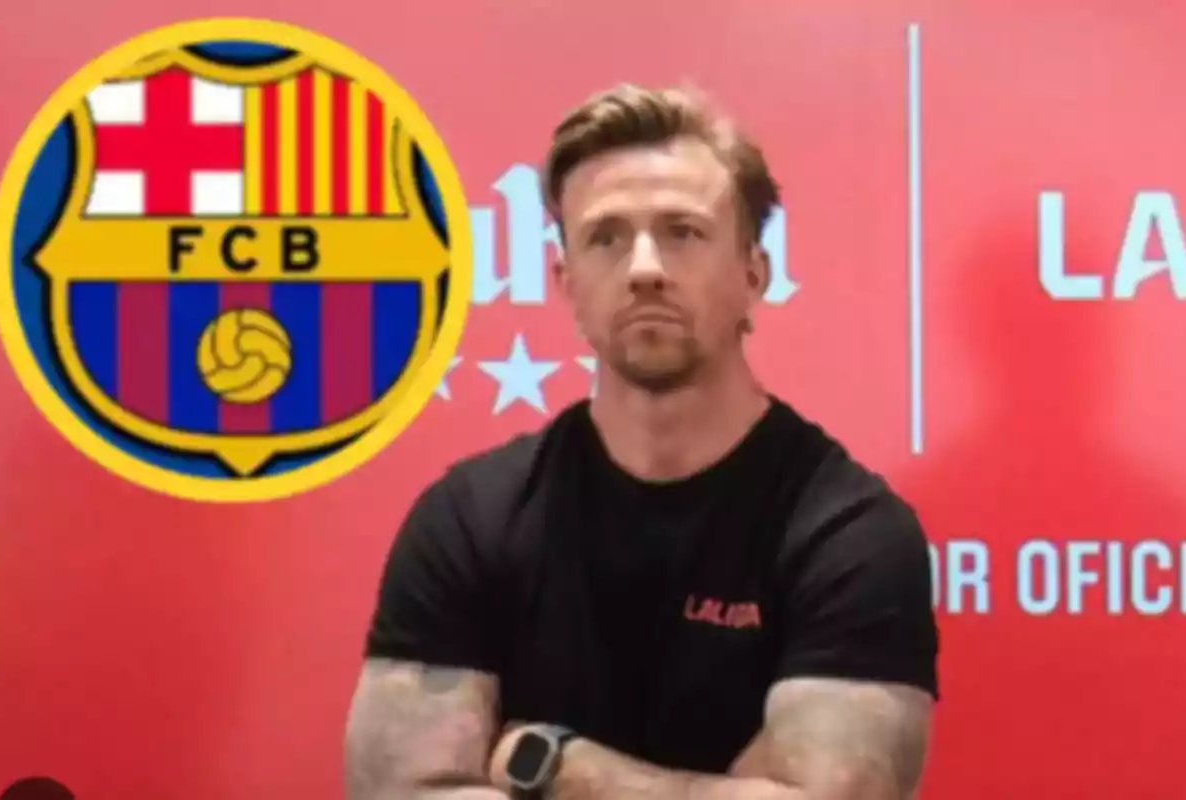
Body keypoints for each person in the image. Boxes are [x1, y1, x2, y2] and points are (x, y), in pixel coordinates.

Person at [344, 84, 940, 800]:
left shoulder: (849, 531)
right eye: (606, 237)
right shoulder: (469, 518)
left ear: (755, 273)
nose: (644, 267)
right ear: (567, 282)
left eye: (683, 232)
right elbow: (401, 790)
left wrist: (561, 767)